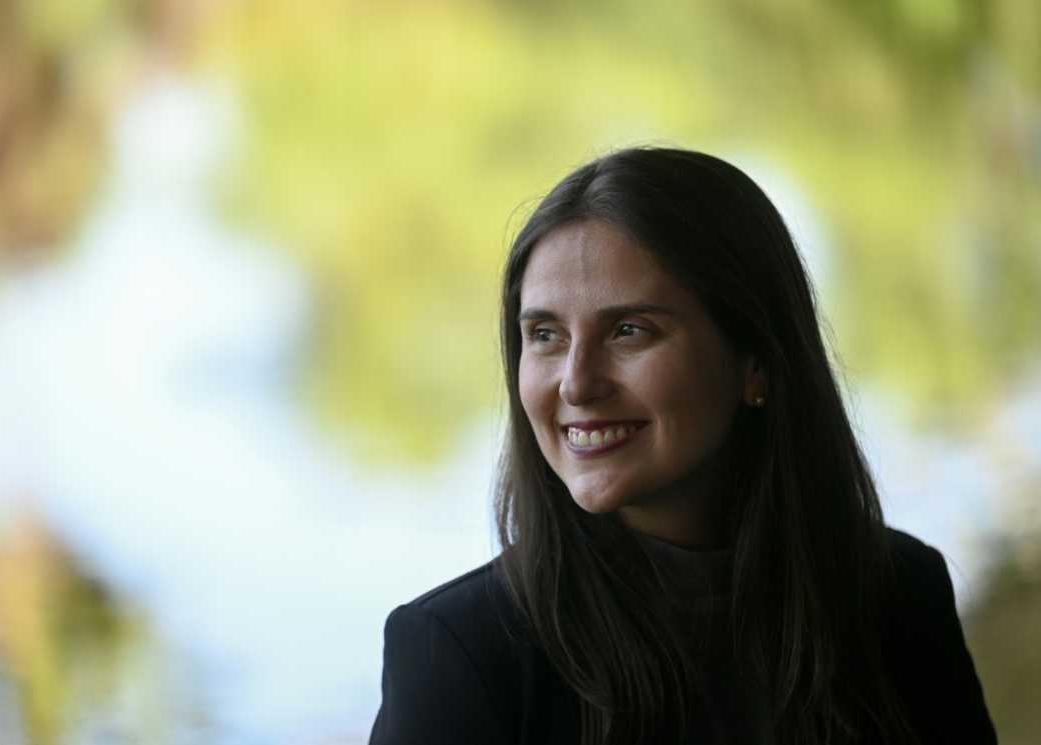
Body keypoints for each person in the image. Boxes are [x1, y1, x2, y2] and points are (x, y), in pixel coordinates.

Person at [368, 148, 997, 745]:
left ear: (755, 361)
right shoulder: (457, 650)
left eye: (630, 329)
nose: (577, 383)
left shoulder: (897, 593)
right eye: (546, 334)